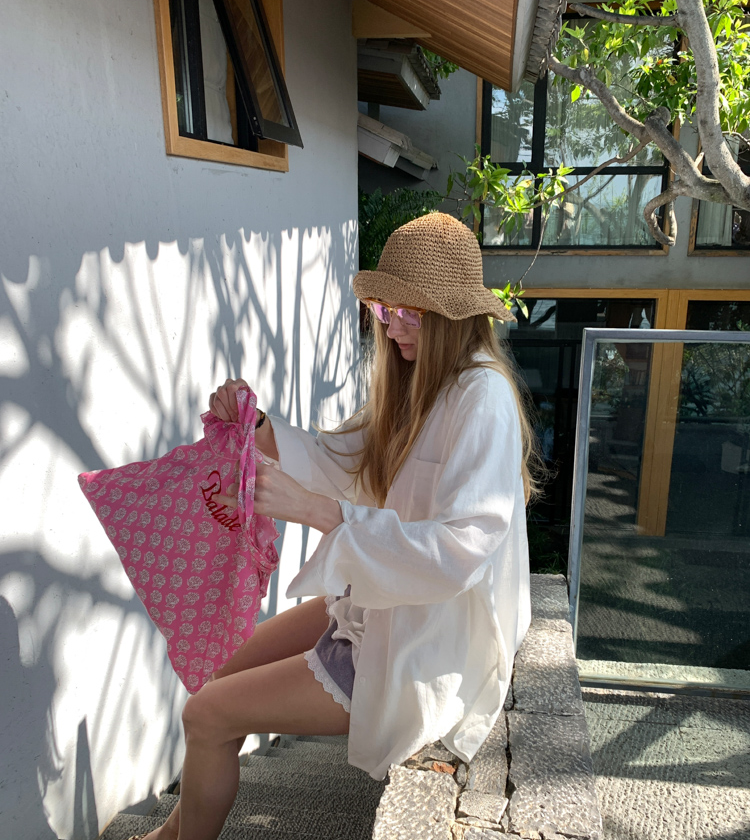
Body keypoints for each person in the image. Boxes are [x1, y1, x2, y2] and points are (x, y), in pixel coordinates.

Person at [136, 212, 534, 840]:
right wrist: (257, 424)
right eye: (385, 309)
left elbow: (463, 549)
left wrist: (318, 512)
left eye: (410, 312)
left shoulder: (481, 398)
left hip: (421, 642)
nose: (393, 327)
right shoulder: (424, 384)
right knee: (221, 674)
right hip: (375, 610)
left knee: (206, 714)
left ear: (453, 316)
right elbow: (341, 459)